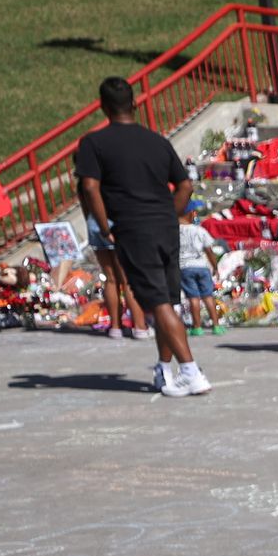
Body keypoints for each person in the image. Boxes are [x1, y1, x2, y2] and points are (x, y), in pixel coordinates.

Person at [69, 76, 206, 396]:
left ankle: (191, 370)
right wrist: (169, 215)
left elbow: (89, 186)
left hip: (133, 228)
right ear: (135, 103)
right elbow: (185, 184)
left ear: (102, 106)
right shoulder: (157, 141)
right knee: (169, 302)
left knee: (158, 303)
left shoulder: (93, 143)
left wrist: (104, 227)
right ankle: (166, 369)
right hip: (166, 227)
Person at [176, 211, 226, 330]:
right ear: (192, 215)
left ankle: (197, 327)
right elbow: (209, 250)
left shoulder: (174, 232)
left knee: (193, 298)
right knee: (208, 296)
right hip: (202, 266)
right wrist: (215, 267)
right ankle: (216, 326)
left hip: (185, 267)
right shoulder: (199, 230)